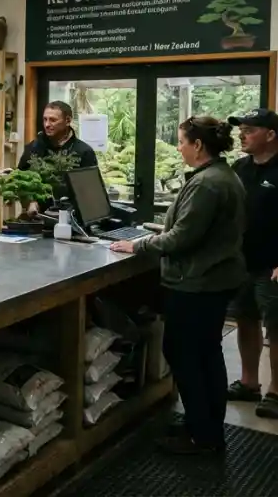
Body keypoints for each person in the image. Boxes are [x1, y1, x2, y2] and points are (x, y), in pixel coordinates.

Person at [110, 116, 246, 454]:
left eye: (182, 141)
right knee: (206, 354)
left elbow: (184, 237)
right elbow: (197, 229)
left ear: (198, 145)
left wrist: (138, 245)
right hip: (213, 280)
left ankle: (202, 435)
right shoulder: (223, 176)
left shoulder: (206, 184)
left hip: (198, 283)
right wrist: (159, 232)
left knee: (186, 354)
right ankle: (206, 426)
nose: (179, 148)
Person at [224, 108, 278, 416]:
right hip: (242, 261)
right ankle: (249, 382)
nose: (241, 134)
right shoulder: (240, 168)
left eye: (249, 129)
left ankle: (276, 392)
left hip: (273, 265)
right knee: (245, 319)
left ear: (270, 135)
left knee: (277, 328)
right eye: (240, 129)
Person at [18, 101, 99, 213]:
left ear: (68, 121)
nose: (47, 124)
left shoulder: (83, 152)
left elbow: (91, 191)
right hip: (37, 217)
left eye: (53, 120)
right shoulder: (33, 148)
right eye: (45, 119)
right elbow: (21, 179)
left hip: (72, 218)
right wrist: (30, 201)